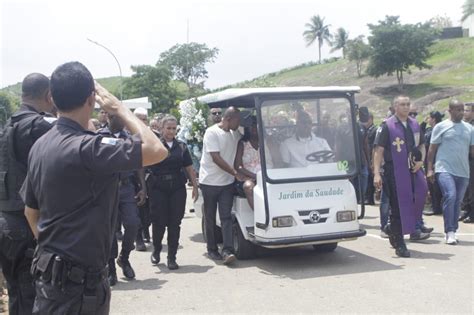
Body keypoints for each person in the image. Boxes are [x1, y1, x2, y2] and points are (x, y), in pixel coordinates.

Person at [21, 62, 168, 314]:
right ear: (92, 99)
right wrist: (119, 108)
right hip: (79, 286)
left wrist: (54, 251)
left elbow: (30, 212)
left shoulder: (41, 145)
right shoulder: (89, 148)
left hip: (48, 277)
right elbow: (157, 149)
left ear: (52, 98)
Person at [0, 73, 55, 314]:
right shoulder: (39, 127)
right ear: (48, 95)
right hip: (27, 225)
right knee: (32, 296)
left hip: (6, 223)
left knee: (16, 293)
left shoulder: (7, 126)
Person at [373, 96, 428, 257]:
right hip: (394, 172)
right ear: (395, 107)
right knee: (398, 207)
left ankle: (392, 229)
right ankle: (400, 243)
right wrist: (376, 173)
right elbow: (379, 150)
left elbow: (421, 145)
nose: (406, 107)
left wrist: (421, 161)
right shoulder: (387, 126)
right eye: (402, 104)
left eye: (407, 104)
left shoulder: (414, 124)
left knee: (419, 196)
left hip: (413, 170)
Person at [98, 113, 147, 285]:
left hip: (127, 187)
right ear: (111, 118)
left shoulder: (129, 138)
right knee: (110, 230)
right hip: (107, 188)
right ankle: (111, 268)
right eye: (119, 117)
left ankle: (124, 258)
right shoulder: (99, 136)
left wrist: (142, 187)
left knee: (133, 223)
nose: (124, 120)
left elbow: (138, 163)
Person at [148, 115, 198, 270]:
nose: (171, 131)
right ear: (161, 129)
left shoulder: (181, 147)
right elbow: (144, 166)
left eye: (173, 128)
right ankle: (156, 249)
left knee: (175, 223)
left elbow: (189, 167)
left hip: (177, 187)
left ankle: (172, 257)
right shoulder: (155, 145)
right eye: (168, 128)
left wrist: (195, 186)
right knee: (159, 222)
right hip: (158, 187)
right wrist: (143, 188)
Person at [199, 107, 244, 265]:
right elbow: (215, 157)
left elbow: (245, 139)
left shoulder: (235, 133)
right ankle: (212, 249)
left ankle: (227, 250)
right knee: (210, 216)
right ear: (229, 119)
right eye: (237, 121)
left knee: (226, 217)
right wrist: (234, 172)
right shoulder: (211, 133)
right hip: (210, 182)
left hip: (226, 183)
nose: (239, 124)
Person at [427, 100, 474, 244]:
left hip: (463, 171)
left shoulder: (469, 129)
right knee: (450, 195)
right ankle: (450, 231)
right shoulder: (441, 127)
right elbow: (432, 149)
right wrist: (429, 168)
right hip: (444, 169)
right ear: (450, 110)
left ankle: (454, 228)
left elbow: (472, 151)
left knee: (458, 201)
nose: (461, 112)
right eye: (458, 109)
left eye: (463, 109)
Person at [234, 116, 272, 210]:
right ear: (247, 128)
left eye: (256, 125)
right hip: (250, 177)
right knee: (248, 187)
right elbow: (238, 166)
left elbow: (276, 161)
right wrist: (255, 176)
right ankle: (260, 215)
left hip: (269, 176)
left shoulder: (267, 142)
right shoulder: (242, 144)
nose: (254, 128)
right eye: (251, 126)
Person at [422, 111, 445, 216]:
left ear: (433, 119)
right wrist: (423, 123)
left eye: (429, 118)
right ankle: (435, 206)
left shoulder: (437, 130)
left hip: (435, 160)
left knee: (435, 185)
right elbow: (420, 133)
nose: (428, 120)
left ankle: (437, 208)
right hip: (429, 160)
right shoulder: (430, 129)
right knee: (431, 185)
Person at [460, 102, 474, 223]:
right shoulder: (463, 125)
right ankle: (466, 210)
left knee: (472, 188)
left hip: (472, 159)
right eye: (464, 110)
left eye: (467, 110)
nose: (464, 112)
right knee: (466, 187)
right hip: (463, 159)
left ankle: (472, 213)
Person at [365, 113, 377, 205]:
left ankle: (370, 198)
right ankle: (368, 198)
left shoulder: (374, 130)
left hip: (372, 156)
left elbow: (374, 146)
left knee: (370, 177)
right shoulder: (366, 130)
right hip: (367, 156)